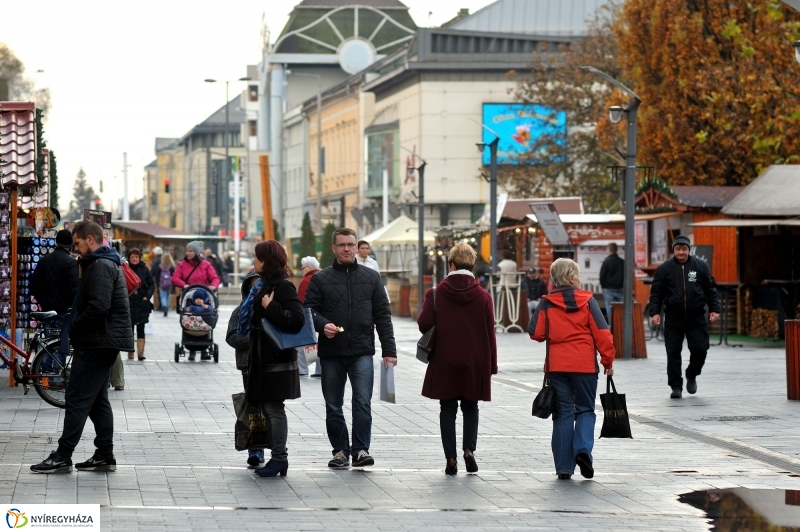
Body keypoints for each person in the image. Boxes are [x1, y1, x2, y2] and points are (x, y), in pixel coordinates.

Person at [31, 220, 133, 474]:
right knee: (98, 401)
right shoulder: (103, 262)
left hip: (98, 341)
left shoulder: (100, 265)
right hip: (102, 340)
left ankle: (63, 454)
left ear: (90, 239)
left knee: (76, 397)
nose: (74, 249)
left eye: (77, 243)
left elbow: (99, 306)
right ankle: (104, 454)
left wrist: (75, 326)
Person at [304, 228, 397, 469]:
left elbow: (383, 316)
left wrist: (390, 351)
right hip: (332, 352)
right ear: (333, 248)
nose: (347, 248)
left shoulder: (371, 278)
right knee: (333, 404)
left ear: (357, 247)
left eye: (351, 244)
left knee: (362, 402)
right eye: (342, 244)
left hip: (362, 351)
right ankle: (340, 451)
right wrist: (323, 325)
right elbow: (309, 311)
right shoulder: (320, 279)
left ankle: (361, 449)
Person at [528, 258, 615, 480]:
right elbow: (602, 333)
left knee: (564, 413)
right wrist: (608, 361)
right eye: (576, 275)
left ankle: (564, 468)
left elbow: (536, 333)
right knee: (585, 409)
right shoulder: (588, 301)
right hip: (585, 366)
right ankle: (583, 450)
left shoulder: (546, 303)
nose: (578, 279)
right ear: (570, 277)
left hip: (557, 368)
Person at [417, 242, 497, 475]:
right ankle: (469, 450)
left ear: (450, 265)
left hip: (445, 358)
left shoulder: (436, 293)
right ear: (472, 265)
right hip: (475, 359)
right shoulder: (484, 296)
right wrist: (491, 365)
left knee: (447, 408)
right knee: (471, 406)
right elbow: (490, 331)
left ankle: (450, 458)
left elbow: (424, 325)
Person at [239, 240, 305, 477]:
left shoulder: (283, 286)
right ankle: (277, 457)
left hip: (276, 359)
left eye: (256, 257)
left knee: (274, 409)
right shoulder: (262, 284)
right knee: (269, 408)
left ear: (266, 261)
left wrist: (270, 306)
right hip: (261, 358)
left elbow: (297, 319)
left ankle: (279, 459)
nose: (253, 262)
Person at [648, 235, 720, 399]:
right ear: (673, 250)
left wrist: (715, 309)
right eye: (678, 249)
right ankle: (676, 386)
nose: (681, 252)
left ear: (689, 250)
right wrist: (655, 312)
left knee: (701, 349)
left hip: (696, 317)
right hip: (673, 317)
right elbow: (656, 293)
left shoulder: (700, 266)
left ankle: (691, 374)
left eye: (684, 249)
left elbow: (710, 289)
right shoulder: (664, 269)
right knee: (673, 351)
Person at [226, 270, 264, 469]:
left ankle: (275, 448)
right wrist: (253, 338)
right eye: (253, 285)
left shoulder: (271, 308)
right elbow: (231, 336)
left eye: (260, 284)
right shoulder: (241, 310)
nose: (256, 288)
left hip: (270, 365)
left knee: (271, 409)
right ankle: (255, 450)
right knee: (253, 408)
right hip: (248, 365)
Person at [31, 229, 79, 357]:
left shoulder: (43, 260)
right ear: (70, 244)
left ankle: (46, 373)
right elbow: (74, 289)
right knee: (61, 343)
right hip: (64, 311)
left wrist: (42, 300)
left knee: (48, 344)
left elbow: (34, 286)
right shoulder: (71, 263)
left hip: (47, 311)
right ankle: (56, 374)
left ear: (56, 242)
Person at [172, 241, 220, 360]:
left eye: (190, 251)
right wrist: (184, 285)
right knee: (190, 316)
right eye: (187, 251)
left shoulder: (205, 265)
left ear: (196, 253)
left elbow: (214, 278)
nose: (187, 253)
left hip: (203, 295)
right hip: (189, 297)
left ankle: (204, 350)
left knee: (204, 317)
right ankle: (191, 349)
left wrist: (213, 286)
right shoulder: (182, 265)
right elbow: (175, 278)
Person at [126, 248, 154, 363]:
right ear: (129, 258)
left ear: (139, 258)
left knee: (141, 328)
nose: (134, 259)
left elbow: (151, 284)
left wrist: (147, 296)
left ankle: (141, 353)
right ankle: (130, 351)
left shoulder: (145, 270)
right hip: (130, 302)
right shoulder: (126, 269)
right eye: (132, 257)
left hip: (142, 303)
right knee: (130, 328)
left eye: (136, 257)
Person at [297, 256, 321, 377]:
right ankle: (320, 371)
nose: (302, 271)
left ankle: (302, 369)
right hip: (321, 315)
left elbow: (301, 300)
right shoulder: (322, 277)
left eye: (303, 268)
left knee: (301, 343)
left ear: (309, 268)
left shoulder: (307, 280)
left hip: (308, 314)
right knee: (321, 342)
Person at [599, 242, 624, 330]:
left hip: (608, 289)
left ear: (609, 250)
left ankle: (612, 327)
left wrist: (603, 286)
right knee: (622, 308)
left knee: (610, 308)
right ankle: (621, 325)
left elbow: (602, 276)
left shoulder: (606, 262)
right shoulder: (622, 262)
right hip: (620, 288)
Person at [157, 253, 175, 317]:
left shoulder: (160, 266)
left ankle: (164, 307)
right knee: (167, 297)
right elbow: (174, 276)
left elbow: (157, 276)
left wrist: (158, 283)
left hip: (162, 284)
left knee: (163, 297)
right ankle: (167, 308)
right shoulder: (172, 267)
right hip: (169, 284)